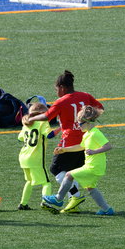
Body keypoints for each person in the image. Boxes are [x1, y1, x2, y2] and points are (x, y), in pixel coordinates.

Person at [24, 70, 104, 213]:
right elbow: (100, 108)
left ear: (62, 87)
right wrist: (86, 119)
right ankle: (75, 203)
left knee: (55, 169)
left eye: (56, 89)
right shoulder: (85, 96)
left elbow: (47, 116)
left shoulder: (61, 101)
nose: (56, 92)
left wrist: (31, 118)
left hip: (69, 142)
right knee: (72, 172)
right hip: (85, 141)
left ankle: (75, 196)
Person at [42, 105, 114, 215]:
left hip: (93, 166)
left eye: (80, 124)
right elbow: (81, 147)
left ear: (88, 123)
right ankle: (107, 209)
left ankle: (58, 199)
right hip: (91, 165)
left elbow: (108, 146)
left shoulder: (95, 133)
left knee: (69, 175)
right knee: (91, 188)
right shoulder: (87, 134)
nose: (78, 126)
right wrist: (64, 149)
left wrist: (94, 151)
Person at [17, 102, 53, 210]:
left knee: (29, 181)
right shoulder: (42, 122)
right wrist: (61, 128)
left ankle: (23, 204)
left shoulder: (27, 123)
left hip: (23, 157)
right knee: (46, 183)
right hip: (35, 158)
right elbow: (49, 135)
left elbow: (20, 138)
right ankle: (45, 202)